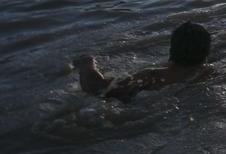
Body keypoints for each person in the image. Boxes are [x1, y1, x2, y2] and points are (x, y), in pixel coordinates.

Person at [73, 21, 212, 102]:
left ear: (172, 48)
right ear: (206, 51)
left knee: (97, 86)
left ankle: (86, 63)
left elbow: (104, 93)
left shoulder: (151, 75)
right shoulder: (207, 73)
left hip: (128, 99)